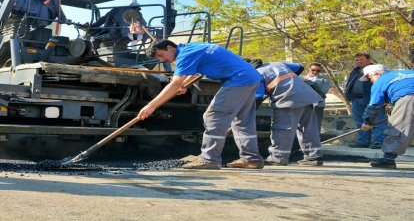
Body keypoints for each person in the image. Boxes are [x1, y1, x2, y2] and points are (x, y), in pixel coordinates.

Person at [137, 39, 264, 169]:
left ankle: (209, 159)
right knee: (243, 121)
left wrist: (151, 105)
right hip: (251, 77)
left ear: (170, 47)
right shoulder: (192, 48)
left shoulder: (185, 54)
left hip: (238, 79)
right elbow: (196, 72)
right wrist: (186, 85)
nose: (161, 60)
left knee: (213, 116)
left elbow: (175, 83)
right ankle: (252, 159)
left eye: (161, 55)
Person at [253, 61, 324, 166]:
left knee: (283, 128)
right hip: (306, 95)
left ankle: (278, 157)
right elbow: (300, 67)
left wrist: (249, 112)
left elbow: (258, 96)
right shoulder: (276, 63)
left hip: (288, 97)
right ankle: (314, 157)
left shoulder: (255, 73)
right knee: (308, 128)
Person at [359, 65, 414, 168]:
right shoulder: (408, 72)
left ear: (377, 74)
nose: (370, 81)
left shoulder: (380, 81)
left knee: (397, 127)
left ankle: (388, 159)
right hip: (408, 95)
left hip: (409, 97)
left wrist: (367, 121)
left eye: (369, 78)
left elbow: (374, 105)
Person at [344, 53, 385, 148]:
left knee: (377, 120)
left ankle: (379, 142)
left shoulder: (376, 71)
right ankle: (363, 142)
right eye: (357, 60)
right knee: (360, 121)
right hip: (356, 99)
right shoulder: (355, 71)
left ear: (369, 59)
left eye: (361, 59)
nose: (358, 62)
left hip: (372, 99)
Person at [303, 62, 331, 133]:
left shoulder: (325, 80)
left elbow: (323, 92)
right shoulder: (301, 78)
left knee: (316, 123)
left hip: (318, 105)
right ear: (309, 69)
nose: (315, 72)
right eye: (313, 70)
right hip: (303, 105)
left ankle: (315, 142)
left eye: (318, 71)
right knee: (303, 123)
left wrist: (309, 84)